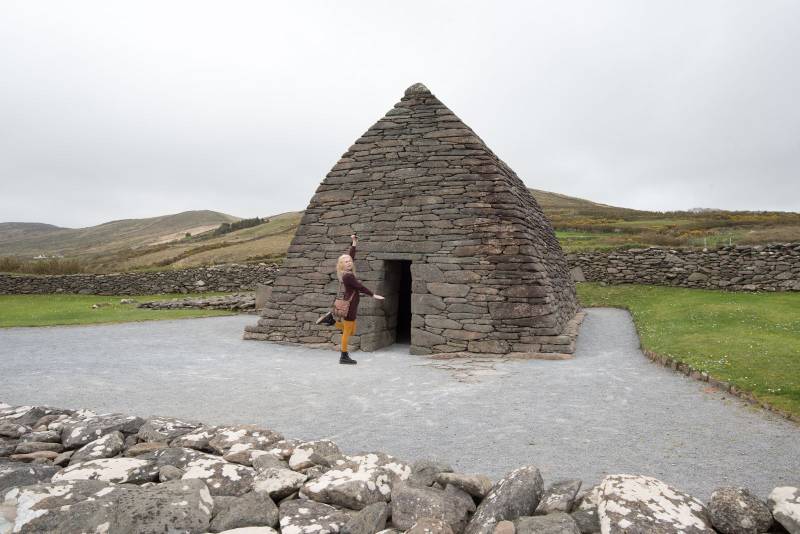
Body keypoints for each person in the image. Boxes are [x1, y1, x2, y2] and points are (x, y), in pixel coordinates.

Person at [316, 234, 384, 364]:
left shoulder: (347, 272)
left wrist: (354, 243)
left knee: (351, 330)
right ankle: (344, 356)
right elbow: (360, 287)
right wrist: (373, 295)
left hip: (352, 303)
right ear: (342, 265)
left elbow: (351, 256)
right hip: (350, 305)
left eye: (349, 261)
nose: (349, 262)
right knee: (347, 332)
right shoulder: (348, 276)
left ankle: (330, 321)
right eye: (346, 262)